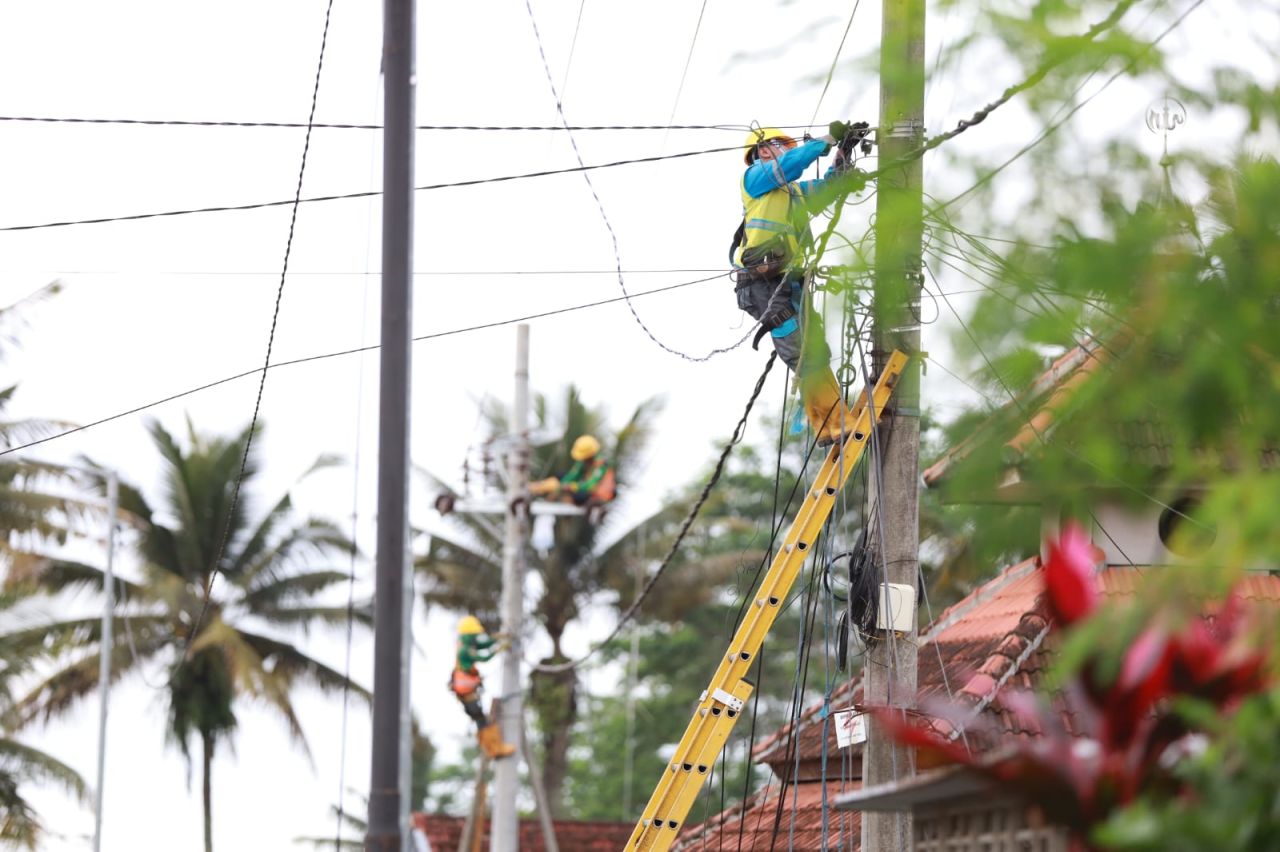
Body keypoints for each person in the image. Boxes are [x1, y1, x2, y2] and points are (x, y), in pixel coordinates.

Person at [731, 122, 867, 446]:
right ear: (764, 150)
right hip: (760, 286)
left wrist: (843, 154)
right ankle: (835, 422)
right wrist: (825, 142)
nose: (791, 151)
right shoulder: (754, 179)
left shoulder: (792, 193)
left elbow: (826, 189)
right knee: (801, 350)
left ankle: (825, 422)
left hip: (787, 282)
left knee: (815, 350)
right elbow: (788, 166)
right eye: (784, 146)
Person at [449, 615, 516, 759]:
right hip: (467, 695)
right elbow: (484, 657)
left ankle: (493, 748)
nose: (476, 637)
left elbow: (484, 644)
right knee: (482, 722)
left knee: (481, 720)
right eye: (474, 634)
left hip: (468, 693)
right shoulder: (465, 650)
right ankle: (495, 749)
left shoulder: (464, 645)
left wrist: (499, 637)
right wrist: (500, 648)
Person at [529, 434, 616, 508]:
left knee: (579, 495)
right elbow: (572, 476)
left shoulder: (601, 465)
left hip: (598, 496)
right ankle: (535, 487)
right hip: (584, 490)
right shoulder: (583, 462)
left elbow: (590, 485)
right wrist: (560, 486)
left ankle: (543, 490)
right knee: (561, 475)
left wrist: (570, 487)